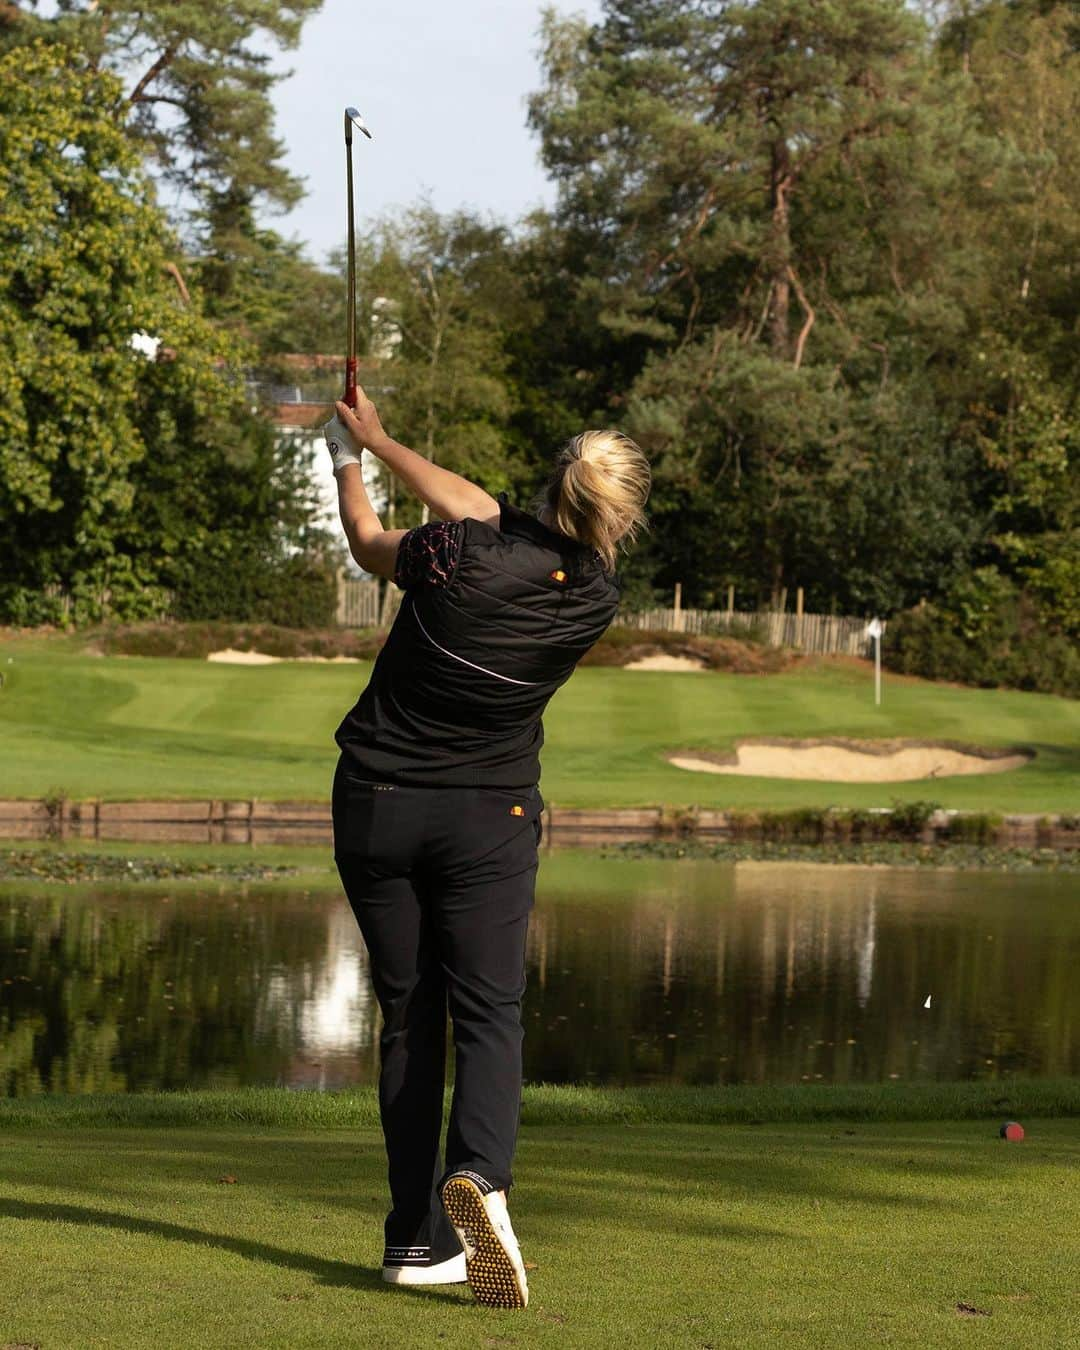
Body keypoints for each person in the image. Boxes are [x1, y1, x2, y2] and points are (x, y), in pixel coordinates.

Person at [324, 389, 650, 1309]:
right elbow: (480, 510)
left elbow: (371, 539)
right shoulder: (594, 593)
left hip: (376, 805)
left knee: (408, 1014)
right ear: (612, 515)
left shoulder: (446, 553)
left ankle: (410, 1240)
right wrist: (383, 436)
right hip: (488, 819)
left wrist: (348, 459)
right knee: (489, 1012)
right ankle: (480, 1178)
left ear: (551, 479)